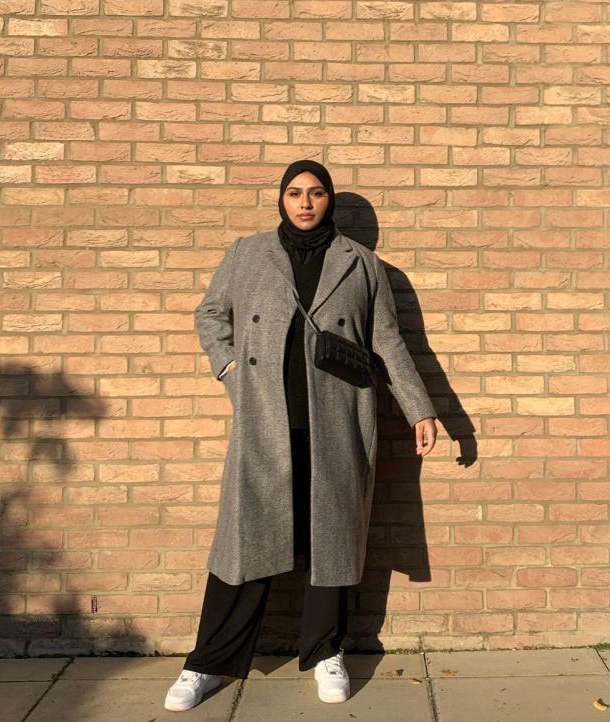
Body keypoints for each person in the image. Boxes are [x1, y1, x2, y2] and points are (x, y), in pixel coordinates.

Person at [164, 160, 438, 711]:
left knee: (328, 540)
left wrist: (420, 410)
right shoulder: (247, 253)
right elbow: (211, 314)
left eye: (316, 193)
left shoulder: (361, 264)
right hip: (264, 422)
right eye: (295, 193)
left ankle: (325, 651)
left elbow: (388, 340)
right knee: (244, 542)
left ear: (329, 200)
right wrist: (229, 370)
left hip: (335, 421)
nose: (306, 202)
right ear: (282, 200)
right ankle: (208, 662)